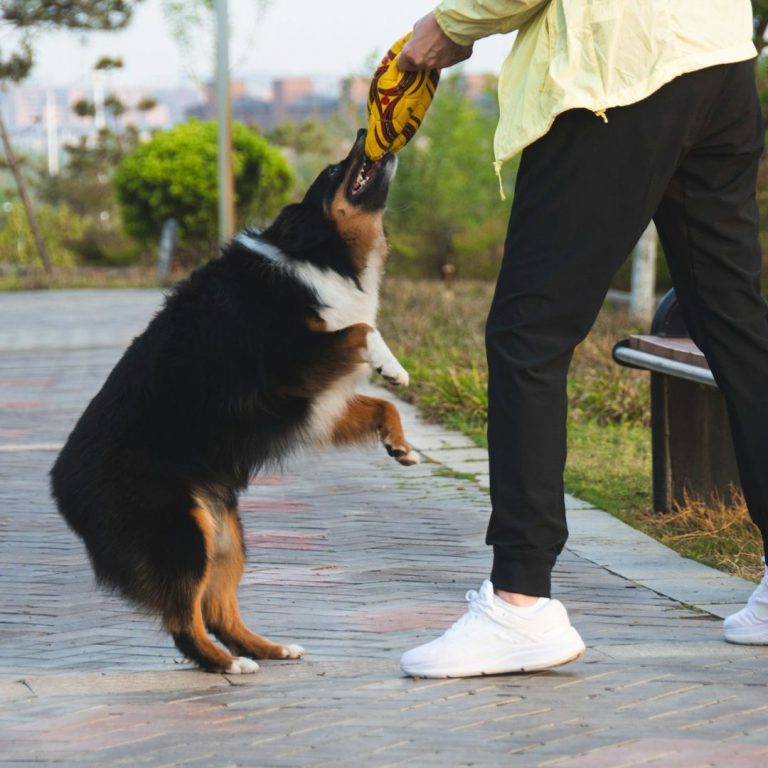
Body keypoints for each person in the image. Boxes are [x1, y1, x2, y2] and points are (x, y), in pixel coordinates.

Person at [396, 0, 768, 679]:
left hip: (619, 68)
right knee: (735, 326)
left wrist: (449, 25)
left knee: (528, 334)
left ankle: (520, 602)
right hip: (719, 58)